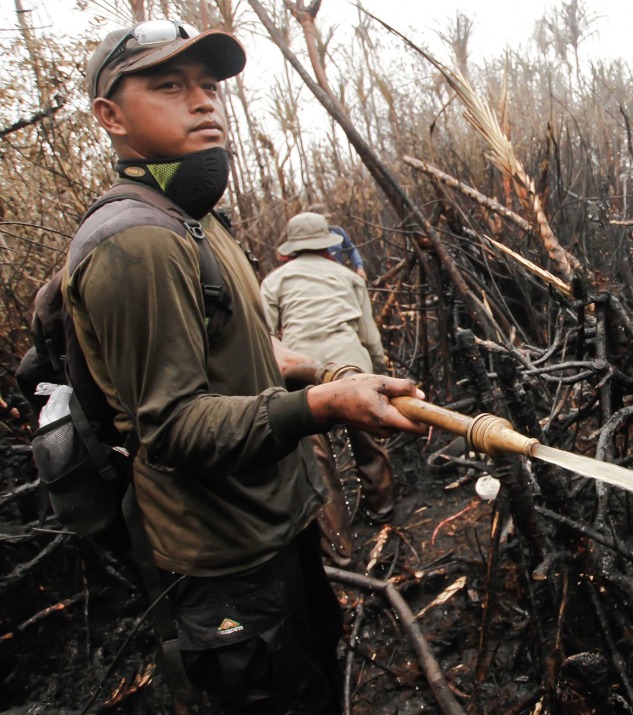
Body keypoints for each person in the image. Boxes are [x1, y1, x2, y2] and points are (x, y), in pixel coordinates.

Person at [72, 20, 425, 713]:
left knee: (317, 676)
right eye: (170, 86)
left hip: (275, 529)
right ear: (110, 116)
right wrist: (324, 405)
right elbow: (172, 426)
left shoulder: (194, 221)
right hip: (226, 561)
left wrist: (296, 367)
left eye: (209, 86)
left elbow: (224, 348)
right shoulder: (139, 240)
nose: (204, 102)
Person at [260, 212, 395, 568]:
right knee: (368, 439)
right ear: (326, 243)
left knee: (315, 461)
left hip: (303, 378)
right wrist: (379, 372)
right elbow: (369, 336)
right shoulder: (348, 277)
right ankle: (383, 507)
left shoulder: (273, 283)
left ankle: (340, 549)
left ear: (291, 248)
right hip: (352, 368)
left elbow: (267, 339)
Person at [306, 202, 368, 281]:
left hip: (339, 275)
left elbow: (351, 250)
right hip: (317, 279)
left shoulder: (337, 231)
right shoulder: (305, 239)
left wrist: (359, 267)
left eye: (326, 218)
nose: (325, 221)